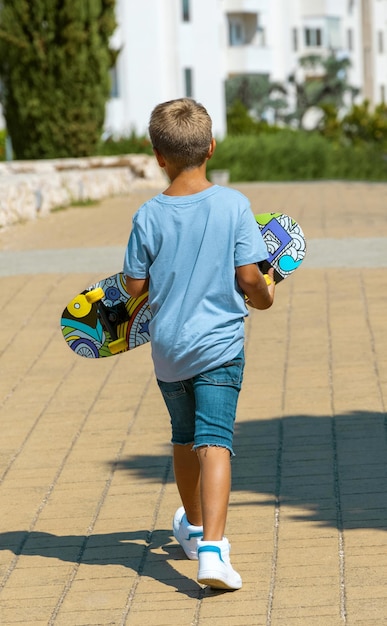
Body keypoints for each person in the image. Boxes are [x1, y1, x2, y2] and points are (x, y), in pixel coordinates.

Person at [123, 98, 275, 591]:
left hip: (169, 350)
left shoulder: (148, 215)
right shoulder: (234, 206)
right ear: (211, 147)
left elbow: (132, 287)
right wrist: (265, 296)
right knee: (216, 442)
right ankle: (213, 548)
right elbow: (249, 277)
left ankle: (190, 528)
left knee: (184, 436)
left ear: (157, 155)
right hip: (220, 348)